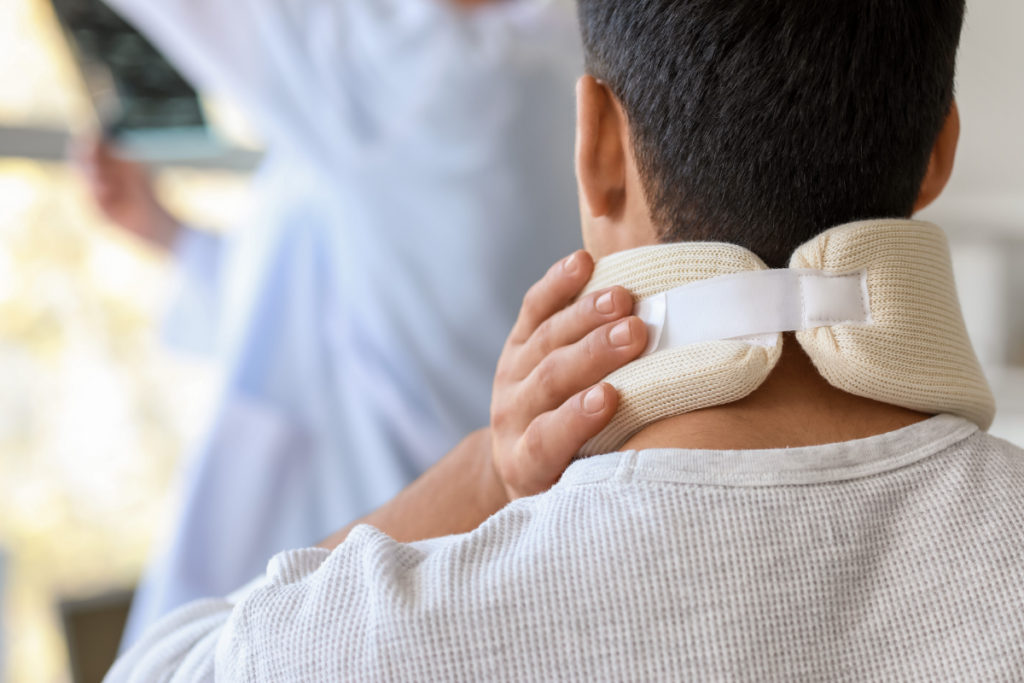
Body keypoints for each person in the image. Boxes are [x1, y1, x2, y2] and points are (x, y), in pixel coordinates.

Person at [107, 0, 1024, 680]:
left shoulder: (384, 637)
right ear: (940, 146)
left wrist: (487, 476)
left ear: (593, 146)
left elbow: (158, 666)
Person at [84, 0, 584, 647]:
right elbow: (338, 311)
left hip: (334, 600)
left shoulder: (431, 75)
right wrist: (175, 238)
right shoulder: (557, 65)